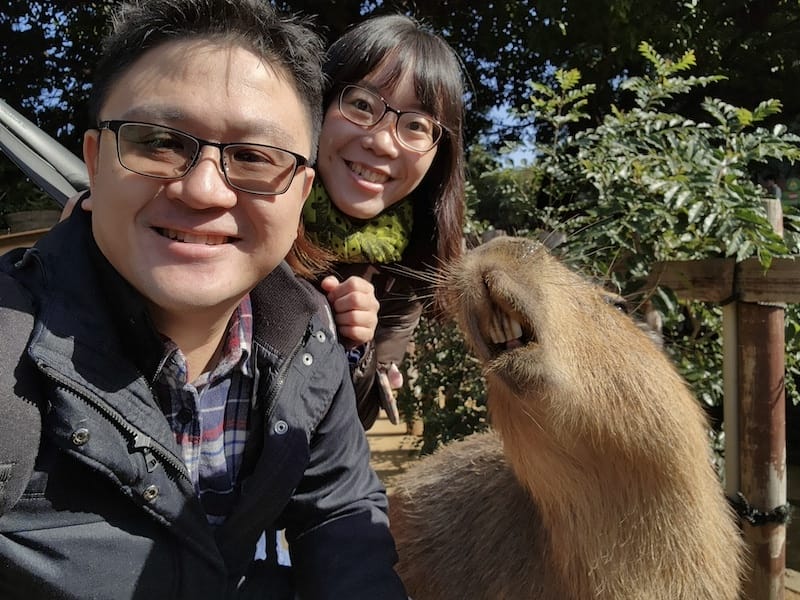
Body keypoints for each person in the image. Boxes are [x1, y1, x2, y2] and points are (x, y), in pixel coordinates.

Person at [0, 1, 408, 598]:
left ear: (301, 193)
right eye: (158, 142)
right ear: (93, 159)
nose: (202, 189)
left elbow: (338, 514)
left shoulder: (308, 340)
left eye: (253, 156)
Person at [304, 14, 466, 428]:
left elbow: (359, 419)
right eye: (361, 105)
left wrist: (358, 347)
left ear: (438, 154)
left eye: (415, 125)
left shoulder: (412, 261)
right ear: (319, 103)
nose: (380, 141)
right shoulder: (249, 207)